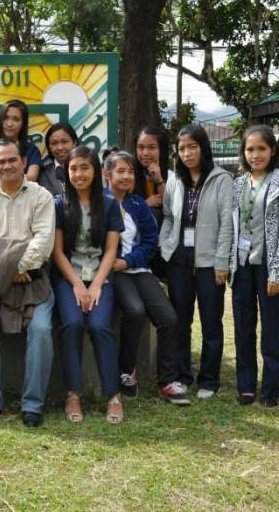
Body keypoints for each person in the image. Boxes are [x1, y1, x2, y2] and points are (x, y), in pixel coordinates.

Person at [0, 139, 56, 426]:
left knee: (41, 330)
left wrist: (11, 262)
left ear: (22, 161)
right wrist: (8, 269)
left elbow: (42, 243)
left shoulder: (41, 197)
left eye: (12, 160)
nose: (6, 165)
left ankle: (32, 404)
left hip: (33, 280)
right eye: (0, 161)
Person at [103, 151, 188, 406]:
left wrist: (129, 261)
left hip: (136, 269)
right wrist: (113, 263)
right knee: (135, 311)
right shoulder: (99, 203)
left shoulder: (138, 204)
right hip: (111, 272)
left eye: (130, 172)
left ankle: (167, 382)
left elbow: (151, 242)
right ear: (107, 174)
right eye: (120, 171)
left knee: (169, 318)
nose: (127, 176)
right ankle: (127, 371)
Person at [159, 124, 233, 400]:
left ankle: (209, 379)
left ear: (203, 147)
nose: (187, 153)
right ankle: (182, 376)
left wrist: (222, 262)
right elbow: (168, 216)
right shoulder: (175, 181)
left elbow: (227, 224)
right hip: (179, 261)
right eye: (182, 149)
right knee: (180, 322)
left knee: (211, 322)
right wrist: (164, 243)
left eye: (192, 147)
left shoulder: (221, 179)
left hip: (209, 264)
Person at [52, 146, 124, 424]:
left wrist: (95, 286)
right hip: (68, 278)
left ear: (95, 171)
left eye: (84, 167)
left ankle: (113, 396)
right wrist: (77, 285)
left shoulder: (108, 205)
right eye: (73, 168)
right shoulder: (59, 205)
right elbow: (57, 252)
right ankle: (72, 393)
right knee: (71, 324)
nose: (79, 174)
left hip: (100, 278)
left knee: (99, 325)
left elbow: (111, 251)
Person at [229, 126, 279, 407]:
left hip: (270, 265)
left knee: (271, 329)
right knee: (243, 326)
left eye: (261, 149)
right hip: (243, 265)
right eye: (250, 149)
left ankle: (270, 389)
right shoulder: (238, 185)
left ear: (272, 151)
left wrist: (278, 272)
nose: (255, 155)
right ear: (243, 153)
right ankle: (246, 386)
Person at [133, 126, 175, 279]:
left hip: (164, 247)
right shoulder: (128, 174)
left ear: (161, 150)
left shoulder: (170, 177)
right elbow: (120, 209)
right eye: (141, 147)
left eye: (151, 147)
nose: (145, 153)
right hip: (136, 246)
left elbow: (170, 210)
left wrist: (159, 180)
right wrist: (145, 204)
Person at [0, 100, 44, 186]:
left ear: (23, 123)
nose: (9, 124)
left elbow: (32, 177)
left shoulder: (31, 150)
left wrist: (6, 180)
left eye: (16, 119)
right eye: (6, 118)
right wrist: (14, 180)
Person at [39, 123, 79, 198]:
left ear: (74, 143)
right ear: (49, 147)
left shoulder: (87, 168)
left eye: (64, 142)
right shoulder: (42, 173)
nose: (60, 148)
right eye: (54, 143)